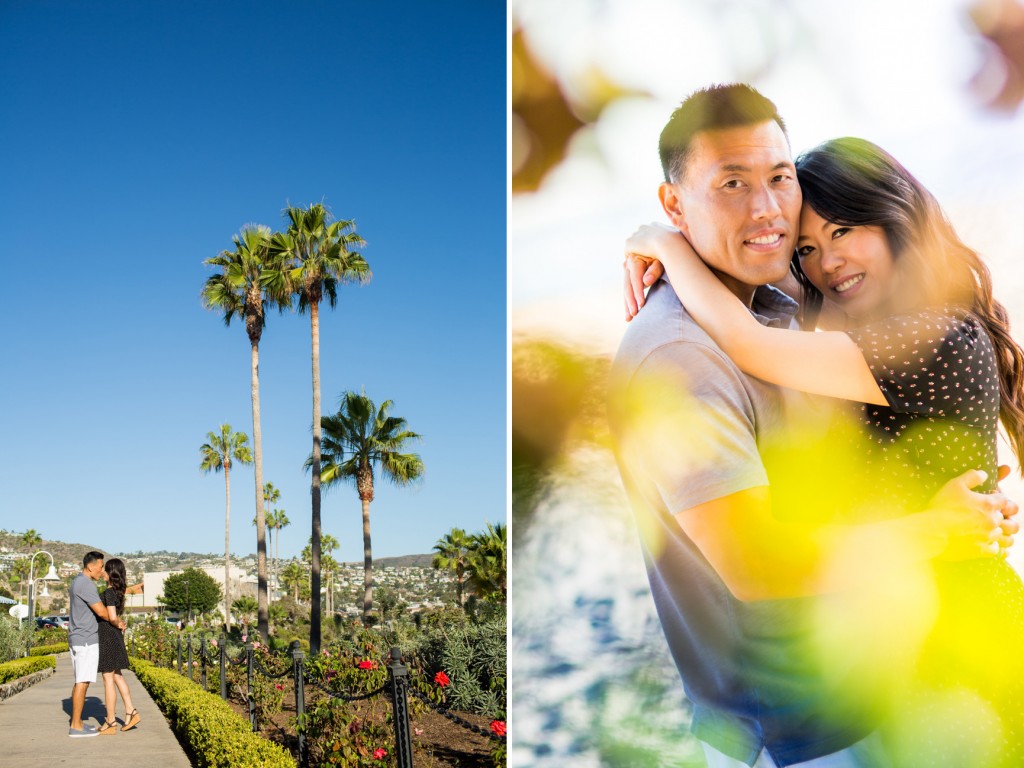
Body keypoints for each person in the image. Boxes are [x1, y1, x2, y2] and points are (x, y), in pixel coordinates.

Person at [608, 84, 1018, 768]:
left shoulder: (897, 332)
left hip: (937, 652)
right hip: (800, 730)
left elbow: (752, 338)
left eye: (778, 179)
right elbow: (757, 562)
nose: (826, 262)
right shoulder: (689, 346)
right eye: (732, 183)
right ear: (676, 201)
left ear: (896, 220)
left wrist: (666, 246)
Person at [68, 550, 126, 738]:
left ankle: (77, 722)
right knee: (83, 682)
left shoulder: (79, 581)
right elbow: (102, 613)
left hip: (80, 637)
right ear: (91, 566)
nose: (102, 571)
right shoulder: (86, 585)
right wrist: (117, 622)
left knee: (80, 681)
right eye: (101, 566)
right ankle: (76, 727)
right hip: (85, 639)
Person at [96, 558, 141, 734]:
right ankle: (131, 711)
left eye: (105, 570)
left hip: (108, 636)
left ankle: (110, 721)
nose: (102, 573)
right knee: (117, 676)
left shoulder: (108, 592)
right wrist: (119, 624)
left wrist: (119, 623)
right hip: (114, 636)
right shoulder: (117, 592)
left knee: (108, 678)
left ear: (110, 573)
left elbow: (112, 617)